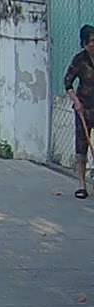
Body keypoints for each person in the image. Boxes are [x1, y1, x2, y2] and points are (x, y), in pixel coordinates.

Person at [64, 24, 94, 199]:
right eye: (90, 41)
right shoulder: (79, 60)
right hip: (84, 109)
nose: (93, 44)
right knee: (82, 147)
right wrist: (76, 101)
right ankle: (82, 186)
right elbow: (67, 82)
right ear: (84, 43)